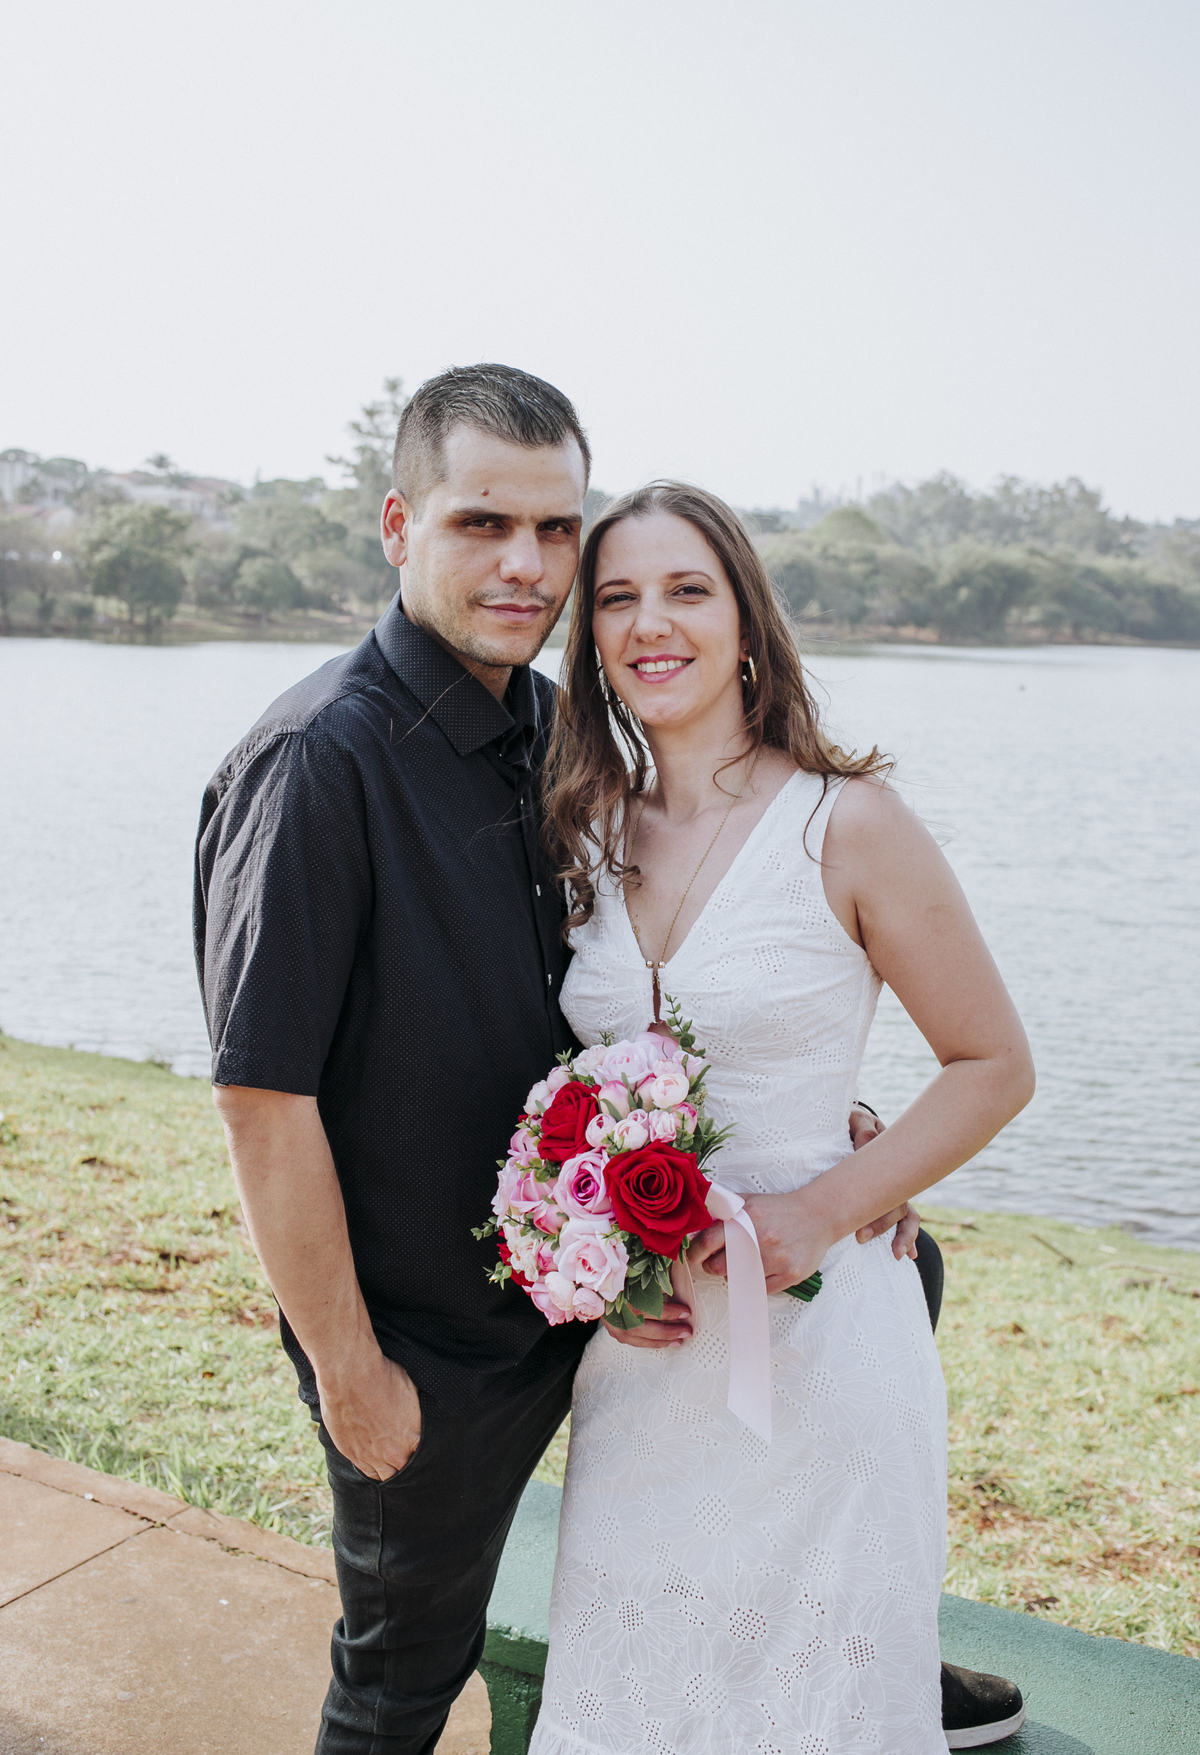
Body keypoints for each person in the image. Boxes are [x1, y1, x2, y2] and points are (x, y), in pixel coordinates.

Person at [192, 364, 1024, 1754]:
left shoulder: (557, 759)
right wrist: (347, 1367)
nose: (527, 564)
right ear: (399, 526)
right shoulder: (317, 761)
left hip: (620, 1313)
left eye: (554, 530)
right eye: (482, 523)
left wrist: (832, 1136)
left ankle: (873, 1660)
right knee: (402, 1681)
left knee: (787, 1595)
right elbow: (261, 1100)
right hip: (434, 1347)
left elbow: (644, 1017)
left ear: (747, 620)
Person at [528, 482, 1035, 1755]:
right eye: (618, 598)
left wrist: (827, 1202)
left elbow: (991, 1064)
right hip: (645, 1361)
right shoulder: (583, 828)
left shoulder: (848, 821)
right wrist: (598, 1268)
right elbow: (565, 1084)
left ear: (747, 622)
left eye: (687, 590)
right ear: (591, 640)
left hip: (823, 1356)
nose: (651, 623)